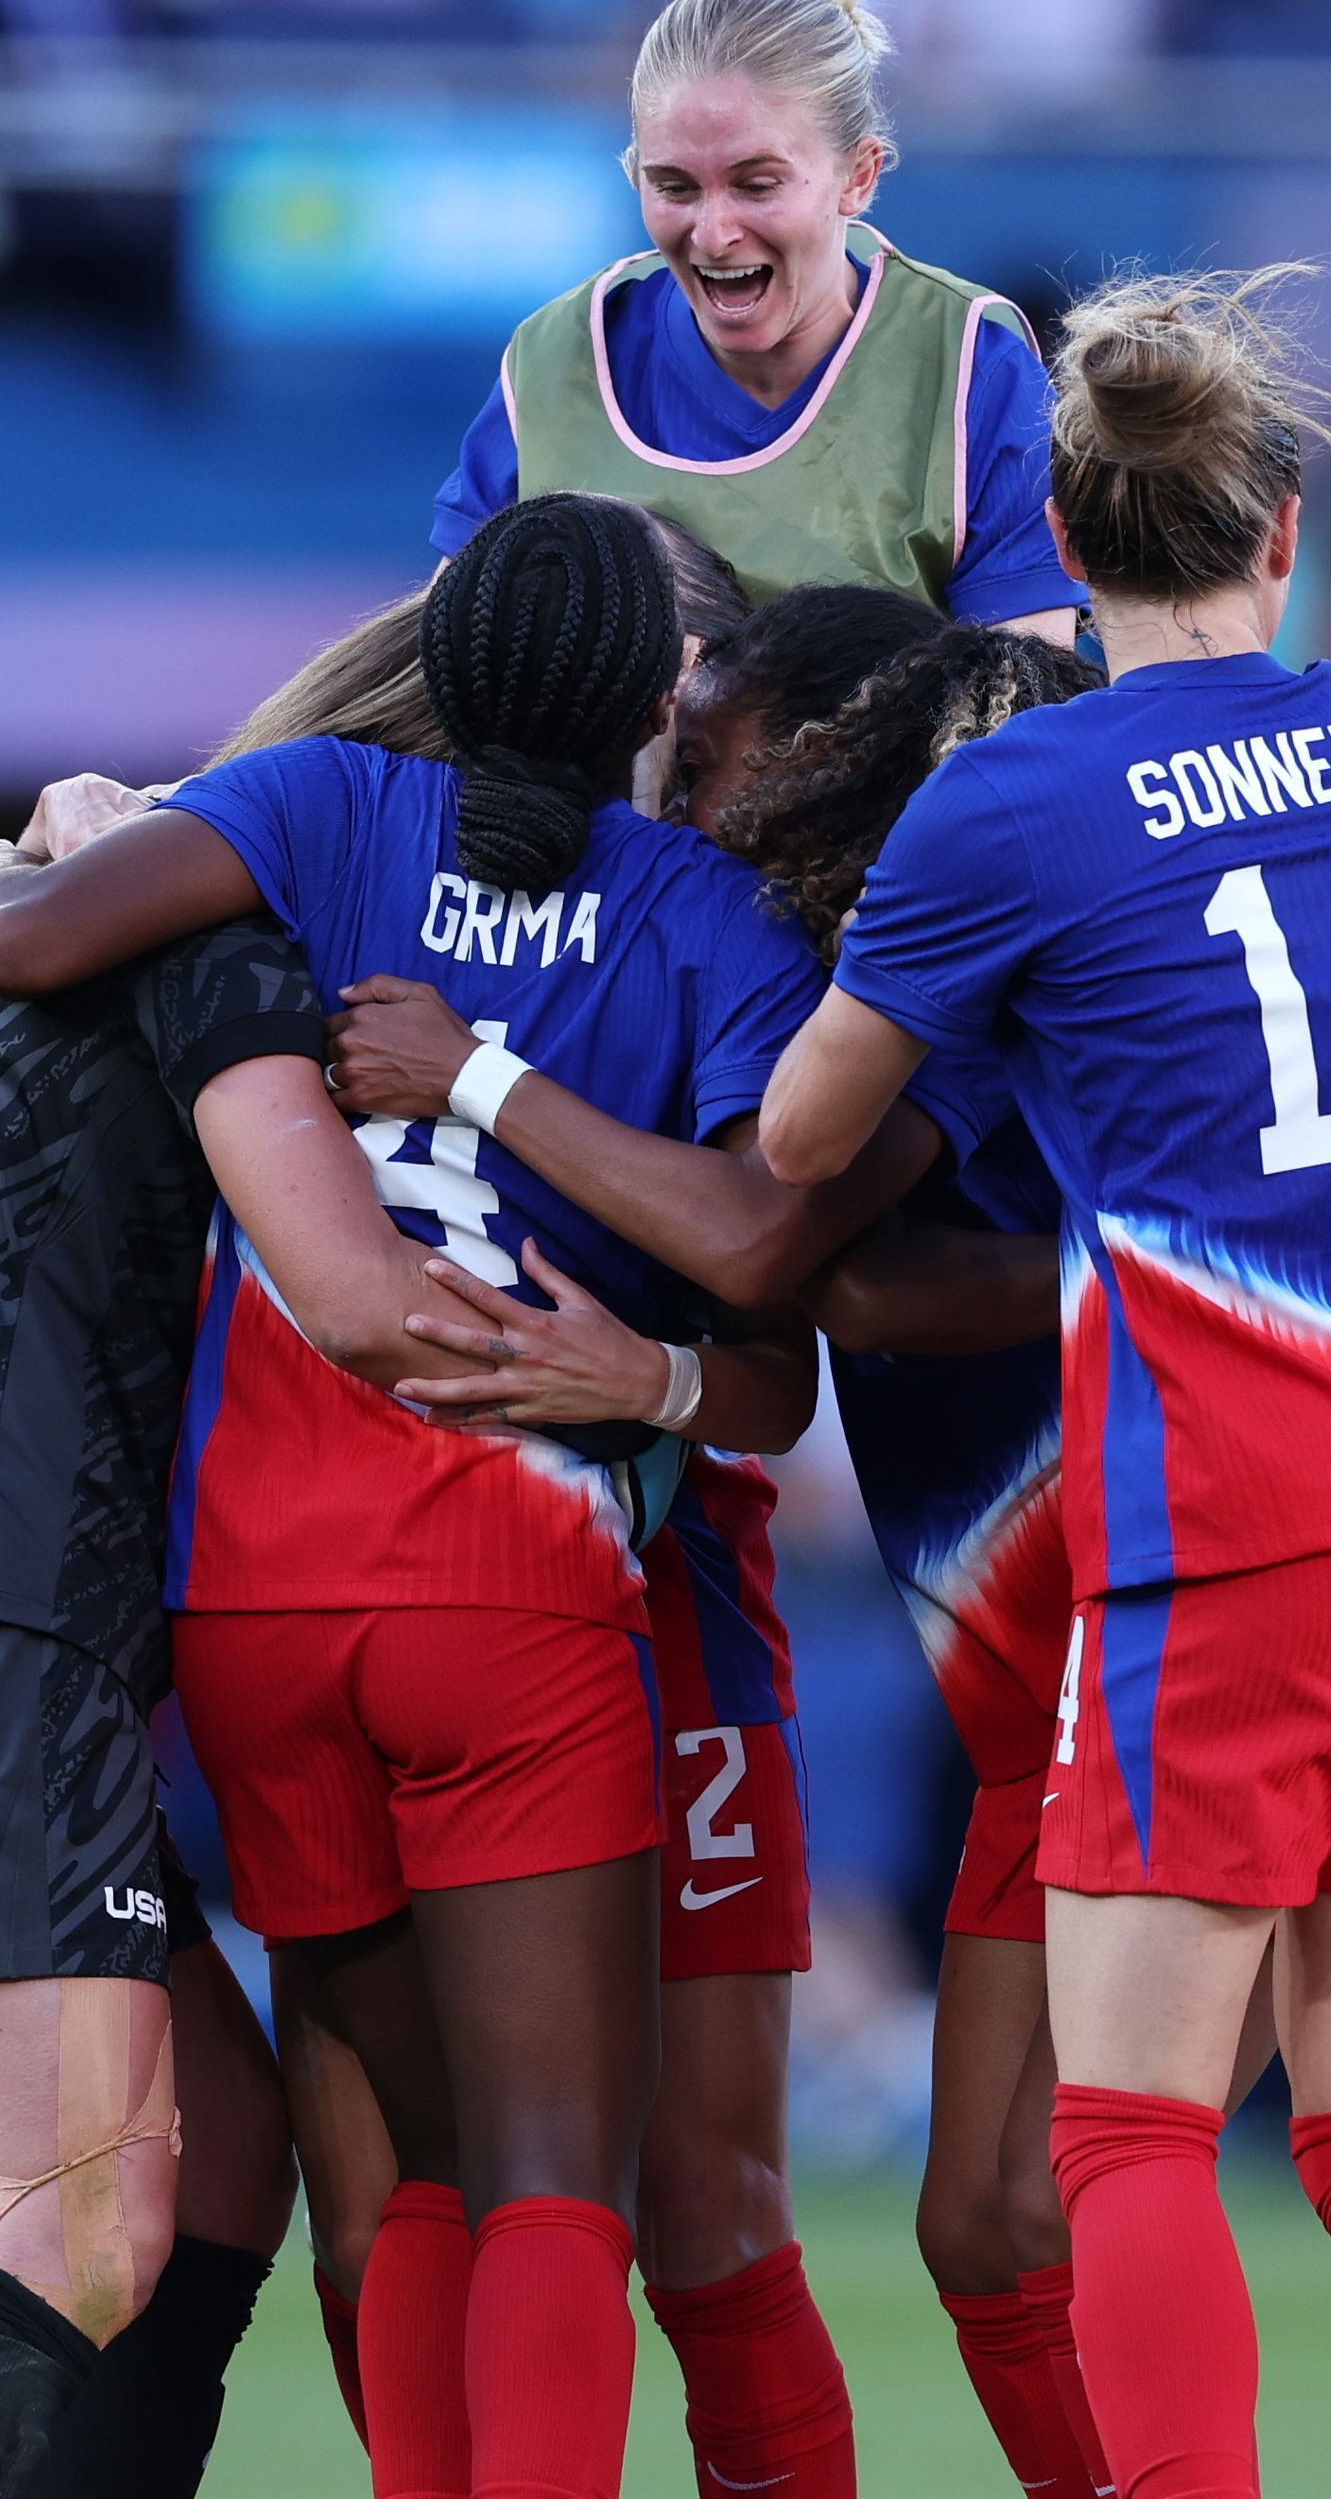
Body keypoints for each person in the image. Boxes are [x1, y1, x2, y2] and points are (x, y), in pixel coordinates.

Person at [755, 266, 1331, 2499]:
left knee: (1124, 2132)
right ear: (1284, 525)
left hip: (1243, 1516)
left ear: (1056, 532)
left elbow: (804, 1142)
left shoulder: (1010, 805)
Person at [0, 492, 877, 2499]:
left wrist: (47, 857)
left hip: (250, 1601)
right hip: (512, 1584)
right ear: (662, 697)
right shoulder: (699, 908)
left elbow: (18, 941)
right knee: (560, 2177)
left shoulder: (310, 808)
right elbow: (772, 1259)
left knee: (410, 2169)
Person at [326, 581, 1109, 2494]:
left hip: (981, 1623)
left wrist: (491, 1098)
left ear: (829, 758)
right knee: (959, 2218)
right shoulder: (590, 909)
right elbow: (823, 1292)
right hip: (497, 1586)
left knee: (735, 2207)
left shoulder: (903, 982)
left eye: (710, 742)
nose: (677, 783)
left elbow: (782, 1270)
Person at [0, 799, 375, 2493]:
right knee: (72, 2221)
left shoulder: (96, 917)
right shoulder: (194, 937)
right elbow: (354, 1295)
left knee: (219, 2158)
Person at [437, 0, 1086, 636]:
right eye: (674, 187)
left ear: (858, 177)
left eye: (756, 186)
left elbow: (1022, 686)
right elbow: (452, 661)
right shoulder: (557, 358)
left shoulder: (973, 366)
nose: (713, 235)